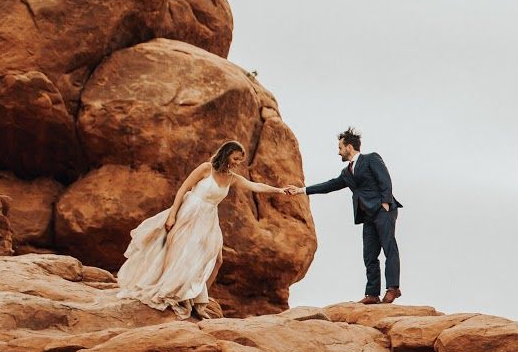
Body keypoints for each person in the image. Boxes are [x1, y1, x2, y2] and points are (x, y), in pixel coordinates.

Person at [118, 140, 294, 318]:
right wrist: (172, 214)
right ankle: (174, 292)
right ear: (226, 154)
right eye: (236, 158)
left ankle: (197, 300)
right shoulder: (205, 169)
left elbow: (255, 186)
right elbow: (184, 188)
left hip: (209, 218)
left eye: (240, 160)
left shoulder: (232, 178)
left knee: (217, 260)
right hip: (190, 212)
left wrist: (280, 190)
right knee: (181, 253)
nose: (237, 163)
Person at [289, 127, 402, 304]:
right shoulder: (347, 172)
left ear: (349, 147)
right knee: (369, 254)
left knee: (389, 248)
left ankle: (393, 288)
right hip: (367, 215)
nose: (338, 152)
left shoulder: (371, 158)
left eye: (340, 148)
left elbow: (385, 179)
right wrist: (301, 190)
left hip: (382, 210)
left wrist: (385, 203)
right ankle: (372, 294)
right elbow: (329, 185)